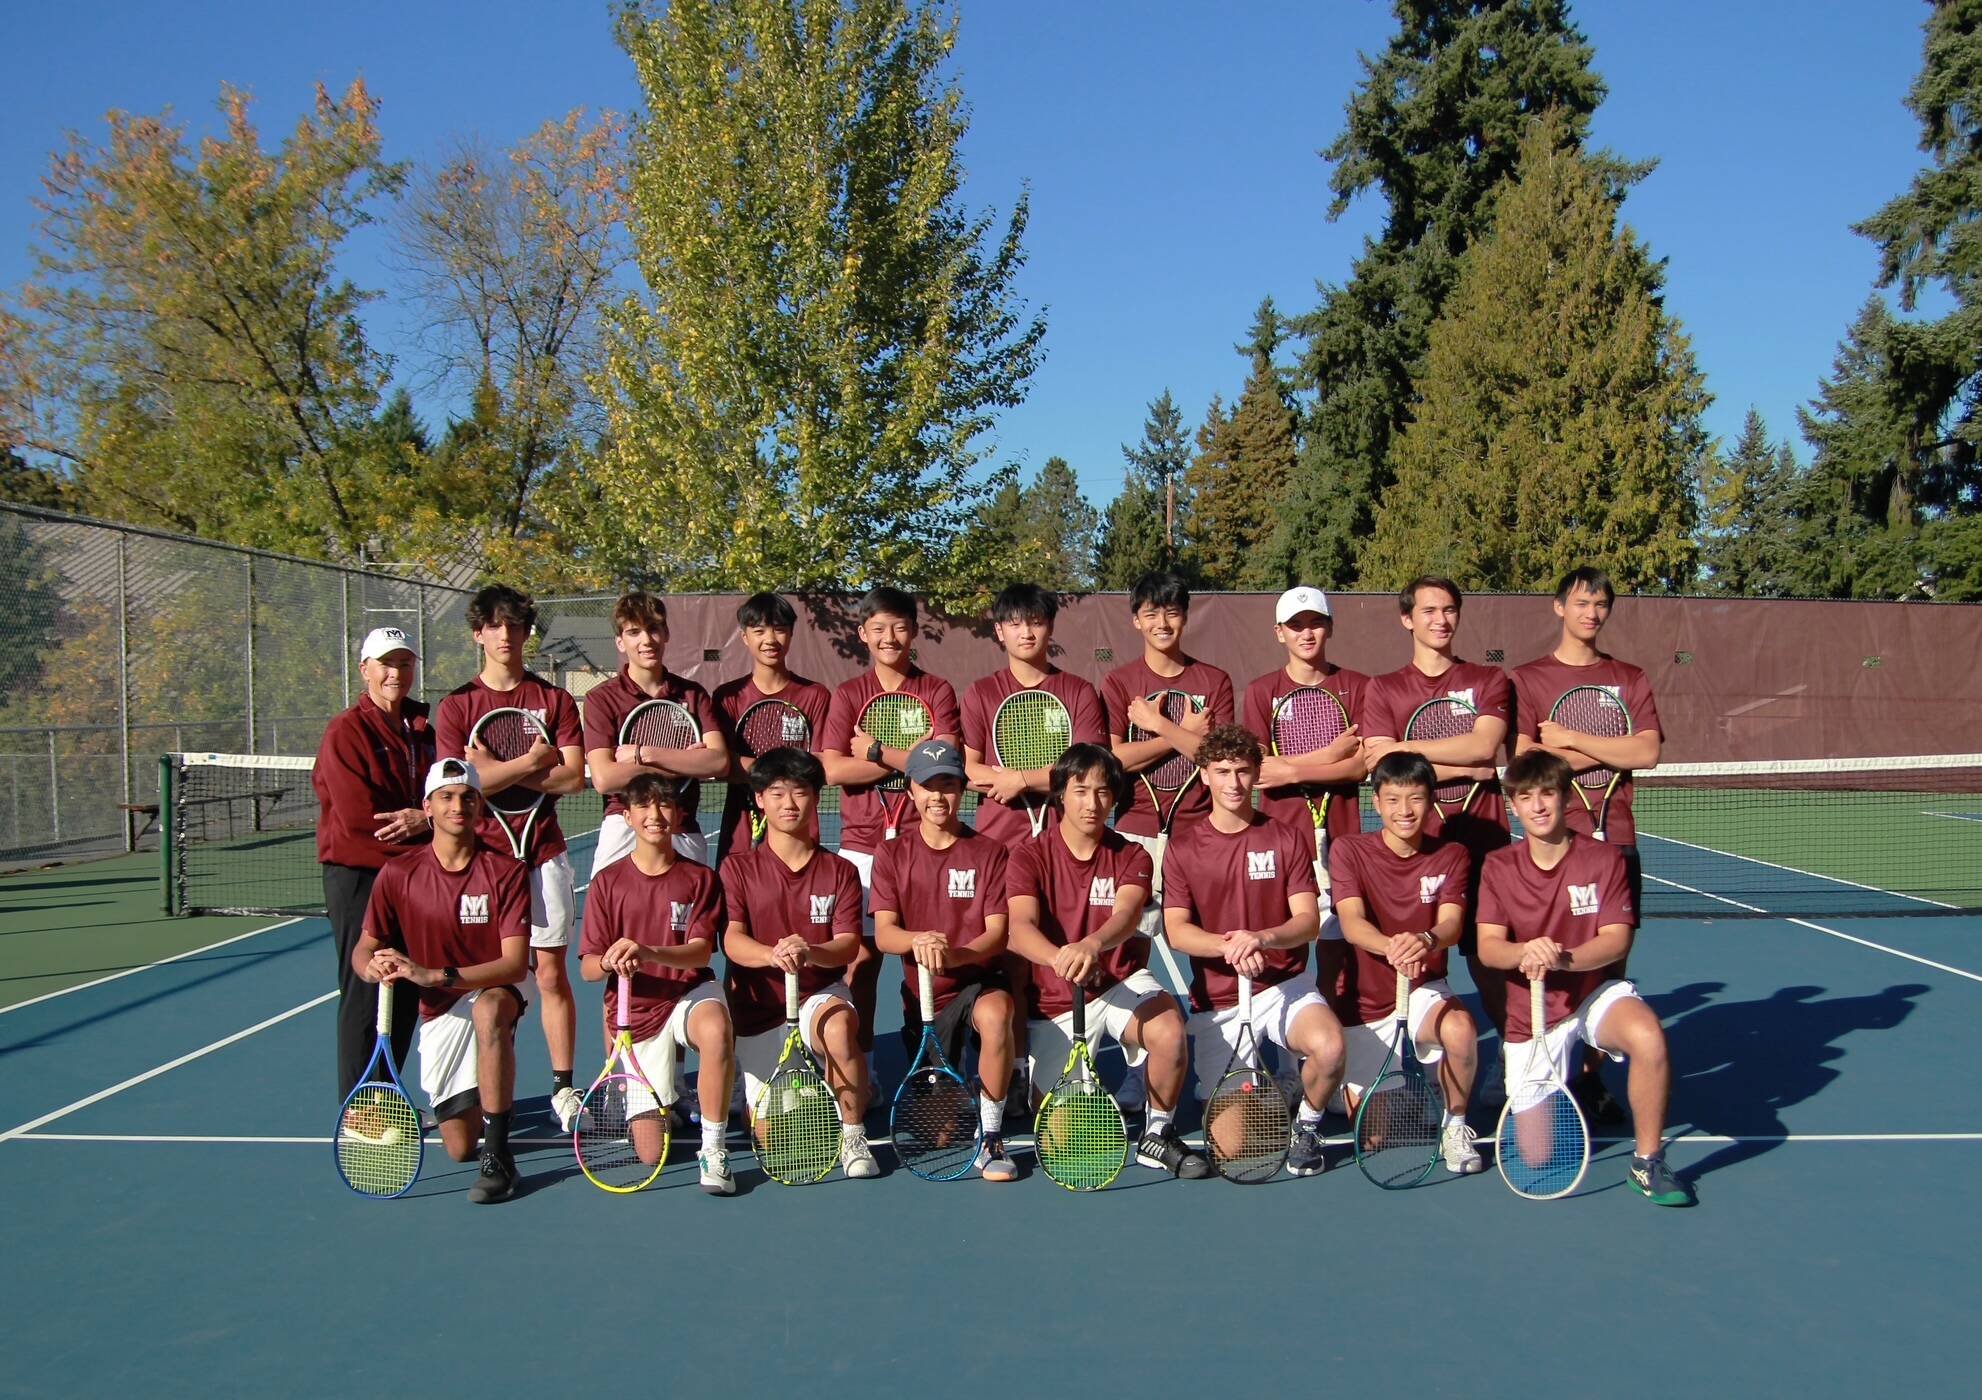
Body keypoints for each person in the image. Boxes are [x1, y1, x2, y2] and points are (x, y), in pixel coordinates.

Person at [1476, 751, 1692, 1206]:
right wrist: (1525, 952)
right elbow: (1489, 948)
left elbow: (1616, 940)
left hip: (1591, 993)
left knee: (1649, 1036)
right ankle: (1560, 1082)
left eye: (1548, 794)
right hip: (1532, 1013)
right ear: (1513, 805)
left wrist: (1562, 959)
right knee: (1537, 1156)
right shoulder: (1498, 865)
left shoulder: (1604, 858)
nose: (1537, 806)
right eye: (1525, 797)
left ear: (1565, 796)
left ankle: (1648, 1162)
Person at [1007, 743, 1209, 1179]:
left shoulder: (1131, 854)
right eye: (1080, 790)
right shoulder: (1028, 854)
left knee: (1170, 1030)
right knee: (1070, 1141)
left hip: (1118, 980)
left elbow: (1128, 914)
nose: (1092, 803)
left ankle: (1158, 1134)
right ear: (1060, 794)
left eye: (1102, 792)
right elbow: (1019, 929)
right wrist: (1060, 957)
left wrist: (1091, 945)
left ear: (1114, 799)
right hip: (1056, 1001)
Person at [1510, 565, 1664, 1122]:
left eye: (1600, 605)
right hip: (1551, 848)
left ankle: (1591, 1077)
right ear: (1559, 607)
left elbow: (1646, 753)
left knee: (1610, 966)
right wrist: (1611, 749)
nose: (1590, 613)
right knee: (1547, 959)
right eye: (1580, 603)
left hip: (1615, 842)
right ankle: (1544, 1070)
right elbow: (1528, 763)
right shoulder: (1528, 680)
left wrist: (1572, 739)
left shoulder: (1630, 677)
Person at [435, 585, 589, 1132]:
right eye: (494, 626)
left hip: (542, 853)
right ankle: (470, 1089)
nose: (505, 635)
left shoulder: (555, 700)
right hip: (481, 863)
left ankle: (563, 1088)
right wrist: (531, 758)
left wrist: (494, 768)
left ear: (527, 633)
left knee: (549, 973)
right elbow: (459, 787)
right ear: (478, 633)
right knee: (485, 980)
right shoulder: (457, 706)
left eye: (515, 625)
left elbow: (572, 777)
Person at [1162, 725, 1345, 1177]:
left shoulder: (1285, 837)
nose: (1233, 782)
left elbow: (1306, 921)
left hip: (1284, 985)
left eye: (1243, 771)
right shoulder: (1184, 847)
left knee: (1330, 1047)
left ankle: (1307, 1126)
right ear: (1203, 774)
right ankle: (1264, 1098)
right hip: (1221, 997)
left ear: (1257, 773)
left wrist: (1261, 938)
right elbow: (1178, 931)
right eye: (1222, 771)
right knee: (1231, 1147)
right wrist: (1231, 945)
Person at [350, 758, 531, 1204]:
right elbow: (363, 946)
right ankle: (479, 1108)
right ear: (427, 808)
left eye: (468, 798)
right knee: (456, 1147)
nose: (458, 806)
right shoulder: (397, 874)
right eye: (447, 798)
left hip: (491, 986)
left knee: (490, 1012)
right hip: (439, 1008)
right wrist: (368, 967)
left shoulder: (505, 871)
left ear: (480, 807)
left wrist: (434, 974)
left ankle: (500, 1156)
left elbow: (514, 965)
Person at [958, 581, 1109, 1112]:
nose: (1026, 631)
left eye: (1036, 621)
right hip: (1000, 845)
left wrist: (1022, 777)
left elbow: (1088, 766)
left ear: (1049, 627)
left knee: (1064, 948)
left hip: (1067, 848)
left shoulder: (1079, 692)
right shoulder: (980, 693)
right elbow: (971, 766)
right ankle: (1012, 1064)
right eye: (1015, 622)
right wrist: (1009, 780)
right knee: (1010, 955)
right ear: (999, 631)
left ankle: (1060, 1061)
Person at [1359, 576, 1512, 1031]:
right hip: (1416, 848)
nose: (1440, 620)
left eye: (1448, 610)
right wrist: (1464, 767)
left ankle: (1515, 1056)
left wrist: (1408, 749)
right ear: (1408, 619)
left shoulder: (1488, 679)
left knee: (1491, 959)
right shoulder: (1384, 688)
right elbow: (1381, 764)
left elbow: (1484, 746)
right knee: (1409, 954)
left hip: (1484, 838)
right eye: (1428, 611)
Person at [721, 746, 877, 1179]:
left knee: (842, 1028)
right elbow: (733, 941)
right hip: (760, 1008)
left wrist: (810, 950)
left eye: (800, 792)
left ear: (816, 798)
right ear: (759, 800)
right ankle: (789, 1091)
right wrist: (771, 954)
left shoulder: (841, 870)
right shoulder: (737, 869)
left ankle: (854, 1137)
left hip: (817, 993)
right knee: (778, 1141)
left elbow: (847, 944)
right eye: (777, 793)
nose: (789, 804)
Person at [819, 586, 962, 1060]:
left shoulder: (937, 689)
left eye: (899, 627)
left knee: (929, 959)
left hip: (926, 847)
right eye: (878, 628)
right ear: (863, 634)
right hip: (861, 848)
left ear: (914, 632)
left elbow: (944, 764)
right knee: (861, 961)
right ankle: (862, 1069)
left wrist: (878, 752)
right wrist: (913, 757)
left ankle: (929, 1063)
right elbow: (835, 769)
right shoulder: (848, 695)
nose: (889, 637)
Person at [578, 772, 738, 1195]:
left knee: (717, 1030)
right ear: (627, 816)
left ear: (678, 814)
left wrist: (647, 951)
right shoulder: (606, 883)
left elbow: (701, 952)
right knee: (650, 1152)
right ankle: (661, 1103)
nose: (655, 814)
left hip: (688, 993)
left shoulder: (700, 879)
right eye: (644, 806)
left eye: (664, 805)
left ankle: (714, 1147)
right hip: (638, 1011)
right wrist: (613, 961)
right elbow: (590, 969)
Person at [1327, 752, 1483, 1174]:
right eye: (1393, 799)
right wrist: (1394, 947)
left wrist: (1425, 939)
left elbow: (1450, 923)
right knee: (1377, 1136)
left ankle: (1455, 1126)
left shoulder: (1452, 855)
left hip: (1422, 987)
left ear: (1431, 801)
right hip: (1364, 1000)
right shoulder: (1349, 850)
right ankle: (1375, 1082)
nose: (1405, 811)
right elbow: (1353, 923)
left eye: (1415, 799)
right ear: (1375, 803)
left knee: (1462, 1030)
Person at [871, 741, 1019, 1182]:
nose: (938, 796)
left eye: (949, 785)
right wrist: (919, 941)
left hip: (976, 982)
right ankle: (965, 1087)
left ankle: (991, 1138)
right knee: (940, 1136)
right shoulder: (891, 854)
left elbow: (996, 933)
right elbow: (883, 934)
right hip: (926, 1000)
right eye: (928, 785)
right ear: (911, 792)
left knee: (998, 1014)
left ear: (963, 792)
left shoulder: (989, 852)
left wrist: (954, 955)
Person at [314, 625, 436, 1115]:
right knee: (367, 989)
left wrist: (425, 822)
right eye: (386, 663)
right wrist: (427, 835)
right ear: (364, 669)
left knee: (406, 987)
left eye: (405, 663)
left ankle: (384, 1095)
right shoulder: (345, 731)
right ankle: (359, 1109)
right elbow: (362, 819)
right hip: (360, 877)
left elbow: (442, 802)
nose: (396, 673)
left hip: (410, 877)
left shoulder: (421, 730)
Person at [1241, 585, 1367, 1044]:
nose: (1306, 633)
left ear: (1329, 627)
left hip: (1346, 841)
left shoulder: (1358, 686)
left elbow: (1360, 765)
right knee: (1286, 953)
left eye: (1315, 623)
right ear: (1280, 633)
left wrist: (1295, 766)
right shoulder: (1261, 692)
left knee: (1340, 953)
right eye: (1296, 626)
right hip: (1283, 843)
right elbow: (1260, 772)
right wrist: (1331, 754)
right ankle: (1292, 1062)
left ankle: (1339, 1056)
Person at [582, 591, 730, 876]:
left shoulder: (692, 693)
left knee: (689, 919)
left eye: (653, 629)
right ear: (620, 642)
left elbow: (718, 762)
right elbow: (604, 778)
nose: (646, 641)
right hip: (622, 823)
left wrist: (644, 754)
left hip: (682, 824)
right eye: (634, 632)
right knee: (614, 919)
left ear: (666, 634)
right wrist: (682, 764)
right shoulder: (601, 699)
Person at [711, 591, 832, 864]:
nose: (770, 639)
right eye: (759, 630)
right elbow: (721, 764)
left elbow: (822, 763)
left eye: (779, 630)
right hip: (739, 828)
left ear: (791, 634)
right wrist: (784, 772)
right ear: (745, 637)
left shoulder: (815, 695)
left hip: (799, 828)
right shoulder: (727, 697)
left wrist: (758, 772)